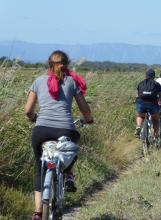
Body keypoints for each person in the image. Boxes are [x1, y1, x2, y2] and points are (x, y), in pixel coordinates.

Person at [24, 50, 93, 220]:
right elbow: (84, 109)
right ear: (66, 64)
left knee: (39, 169)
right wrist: (88, 118)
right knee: (72, 148)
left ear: (49, 64)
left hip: (41, 130)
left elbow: (28, 110)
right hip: (66, 129)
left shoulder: (39, 81)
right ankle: (68, 173)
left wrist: (34, 118)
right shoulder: (71, 82)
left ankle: (38, 212)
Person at [135, 68, 161, 138]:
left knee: (140, 116)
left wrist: (136, 101)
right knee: (155, 119)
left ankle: (139, 126)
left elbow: (137, 95)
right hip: (152, 104)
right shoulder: (156, 84)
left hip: (141, 103)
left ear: (146, 76)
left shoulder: (140, 83)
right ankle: (155, 134)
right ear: (153, 76)